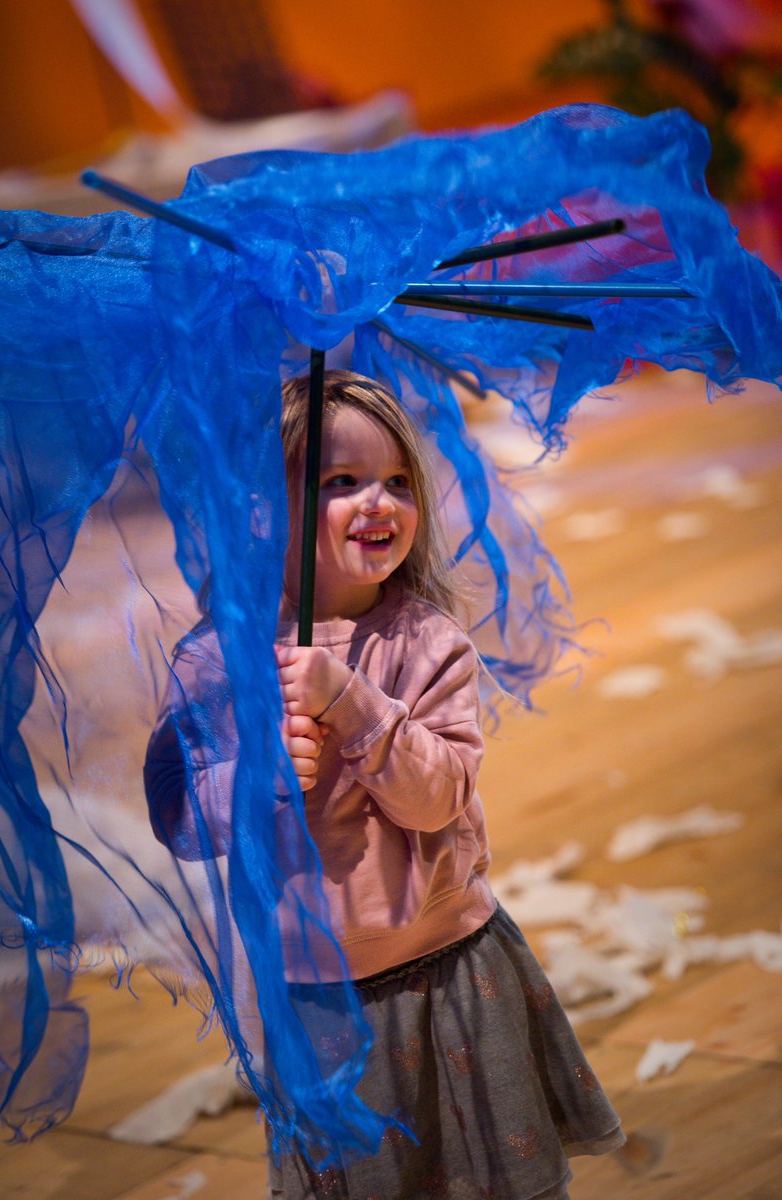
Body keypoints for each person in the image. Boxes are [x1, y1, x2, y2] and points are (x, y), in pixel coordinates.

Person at [145, 369, 624, 1199]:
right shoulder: (215, 659)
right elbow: (183, 818)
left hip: (450, 964)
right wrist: (258, 778)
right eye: (341, 482)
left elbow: (437, 797)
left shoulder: (427, 642)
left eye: (398, 482)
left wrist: (351, 701)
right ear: (262, 510)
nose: (380, 502)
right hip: (315, 992)